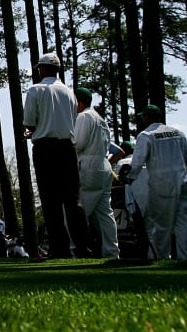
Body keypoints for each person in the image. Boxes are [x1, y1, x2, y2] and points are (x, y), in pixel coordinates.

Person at [22, 52, 92, 258]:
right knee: (73, 201)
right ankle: (83, 247)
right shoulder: (70, 93)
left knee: (50, 200)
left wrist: (33, 130)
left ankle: (59, 248)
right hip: (67, 149)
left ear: (41, 69)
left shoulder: (35, 90)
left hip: (45, 148)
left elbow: (29, 122)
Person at [126, 104, 187, 260]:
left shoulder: (146, 135)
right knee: (185, 222)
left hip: (161, 183)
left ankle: (160, 257)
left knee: (161, 224)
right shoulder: (177, 132)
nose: (142, 119)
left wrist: (129, 177)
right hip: (182, 180)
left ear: (148, 117)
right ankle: (186, 257)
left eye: (143, 116)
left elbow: (137, 162)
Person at [73, 87, 119, 259]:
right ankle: (112, 251)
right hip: (104, 165)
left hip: (89, 165)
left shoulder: (84, 116)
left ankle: (74, 249)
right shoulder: (100, 119)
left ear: (79, 101)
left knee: (80, 211)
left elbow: (78, 143)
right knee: (105, 213)